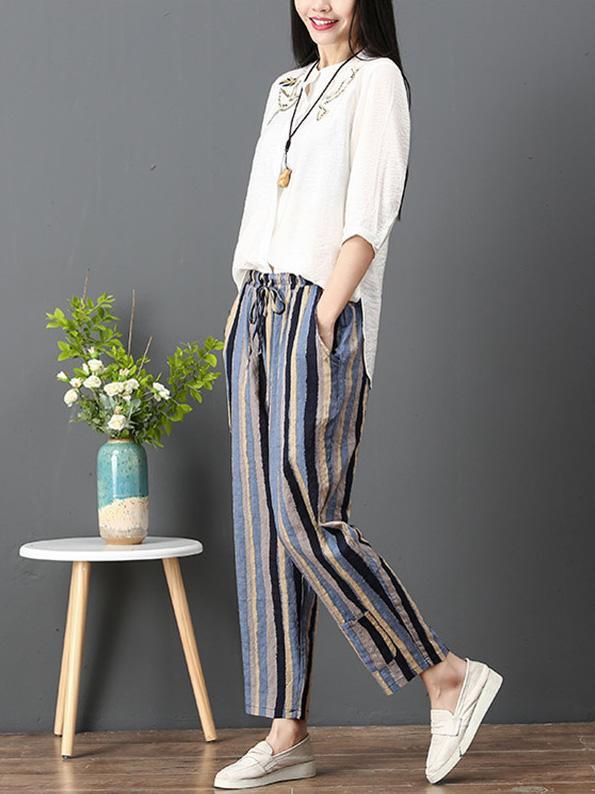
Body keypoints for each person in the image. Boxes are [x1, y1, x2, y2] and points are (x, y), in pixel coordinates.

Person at [215, 0, 503, 788]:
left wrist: (325, 311)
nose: (320, 3)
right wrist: (242, 309)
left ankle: (445, 672)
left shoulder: (377, 83)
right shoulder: (284, 88)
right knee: (263, 529)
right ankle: (286, 734)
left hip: (316, 307)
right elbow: (265, 204)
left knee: (302, 516)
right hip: (255, 308)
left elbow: (370, 212)